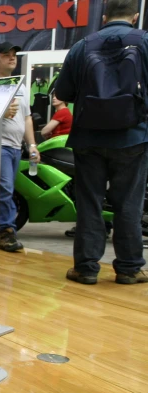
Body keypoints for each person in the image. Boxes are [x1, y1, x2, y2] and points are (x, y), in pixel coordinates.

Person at [55, 0, 148, 284]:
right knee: (129, 202)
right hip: (134, 135)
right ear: (134, 16)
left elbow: (64, 91)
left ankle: (86, 268)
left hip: (89, 136)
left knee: (89, 202)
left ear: (104, 16)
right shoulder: (144, 42)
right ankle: (130, 268)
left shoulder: (82, 45)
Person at [0, 41, 39, 253]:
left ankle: (2, 229)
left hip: (15, 147)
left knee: (7, 190)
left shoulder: (20, 86)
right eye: (6, 55)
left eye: (14, 55)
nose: (12, 58)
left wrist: (32, 144)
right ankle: (6, 232)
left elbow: (26, 118)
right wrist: (1, 114)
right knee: (5, 189)